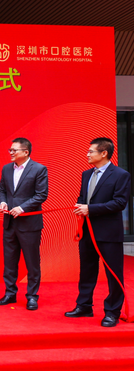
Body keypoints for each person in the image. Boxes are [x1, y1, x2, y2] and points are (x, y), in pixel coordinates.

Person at [66, 138, 131, 327]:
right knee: (87, 271)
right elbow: (83, 197)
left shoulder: (120, 175)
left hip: (109, 233)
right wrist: (80, 206)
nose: (87, 154)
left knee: (113, 273)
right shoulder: (86, 174)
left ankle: (112, 312)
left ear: (104, 153)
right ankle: (84, 306)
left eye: (91, 151)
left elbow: (119, 203)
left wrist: (90, 209)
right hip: (87, 231)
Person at [0, 137, 48, 310]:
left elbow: (41, 195)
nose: (10, 153)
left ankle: (32, 296)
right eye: (10, 150)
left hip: (29, 224)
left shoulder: (39, 169)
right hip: (9, 223)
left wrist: (22, 208)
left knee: (32, 262)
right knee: (9, 261)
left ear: (26, 152)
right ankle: (10, 293)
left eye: (14, 150)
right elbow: (2, 190)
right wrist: (3, 202)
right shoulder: (6, 169)